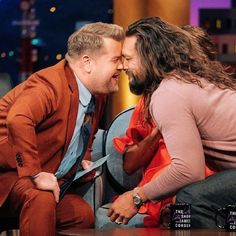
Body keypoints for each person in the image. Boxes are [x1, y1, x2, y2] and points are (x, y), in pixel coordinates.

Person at [108, 16, 236, 228]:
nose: (122, 66)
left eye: (128, 58)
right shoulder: (183, 82)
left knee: (193, 199)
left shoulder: (169, 92)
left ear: (150, 56)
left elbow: (188, 170)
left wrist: (136, 196)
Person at [0, 22, 124, 235]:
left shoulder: (98, 94)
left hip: (48, 178)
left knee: (80, 215)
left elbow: (87, 131)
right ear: (87, 62)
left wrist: (82, 157)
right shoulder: (49, 84)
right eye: (116, 59)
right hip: (9, 174)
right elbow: (18, 119)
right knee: (41, 198)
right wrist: (36, 174)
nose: (122, 66)